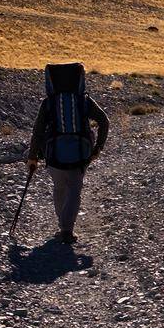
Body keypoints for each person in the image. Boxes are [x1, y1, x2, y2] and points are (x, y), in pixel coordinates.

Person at [25, 62, 109, 245]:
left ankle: (62, 226)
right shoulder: (84, 101)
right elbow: (104, 121)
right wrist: (98, 148)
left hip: (54, 155)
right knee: (74, 191)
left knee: (59, 188)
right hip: (80, 155)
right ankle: (66, 230)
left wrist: (32, 156)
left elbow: (38, 131)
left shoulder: (49, 102)